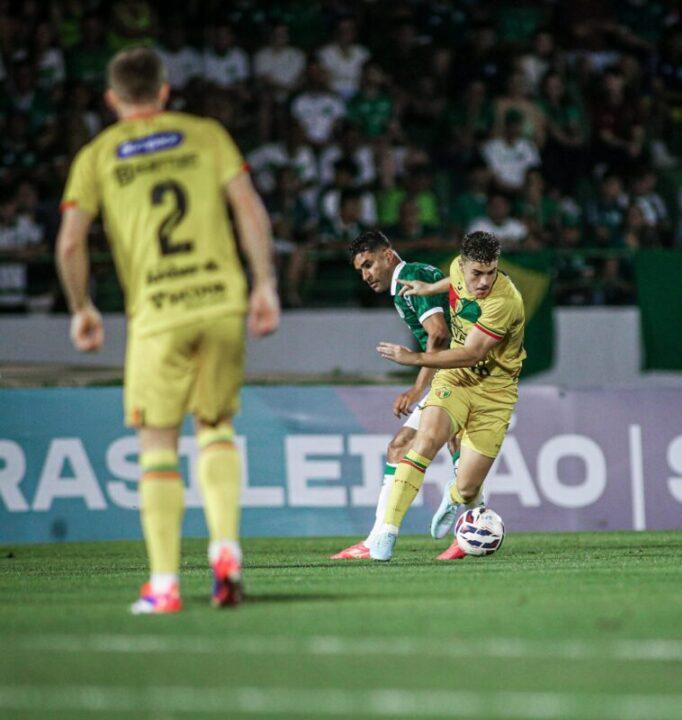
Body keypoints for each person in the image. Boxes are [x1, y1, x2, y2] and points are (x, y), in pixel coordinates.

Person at [55, 48, 280, 613]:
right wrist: (265, 284)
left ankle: (164, 585)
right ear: (163, 91)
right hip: (220, 302)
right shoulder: (205, 134)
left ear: (111, 100)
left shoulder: (97, 154)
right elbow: (249, 209)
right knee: (216, 427)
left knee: (157, 444)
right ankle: (225, 549)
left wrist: (82, 305)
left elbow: (69, 243)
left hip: (158, 314)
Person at [371, 231, 525, 561]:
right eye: (477, 274)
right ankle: (387, 530)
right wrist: (429, 288)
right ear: (464, 265)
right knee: (423, 442)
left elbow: (470, 354)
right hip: (454, 380)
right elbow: (453, 281)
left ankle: (453, 497)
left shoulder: (503, 302)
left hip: (494, 393)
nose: (484, 281)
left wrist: (413, 358)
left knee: (469, 488)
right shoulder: (457, 268)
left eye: (491, 272)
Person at [331, 230, 463, 560]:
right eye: (360, 270)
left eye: (369, 264)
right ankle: (381, 537)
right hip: (460, 368)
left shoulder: (409, 279)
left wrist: (418, 387)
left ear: (388, 256)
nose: (365, 275)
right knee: (416, 446)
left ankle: (468, 529)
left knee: (432, 447)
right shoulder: (414, 275)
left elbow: (438, 334)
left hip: (460, 372)